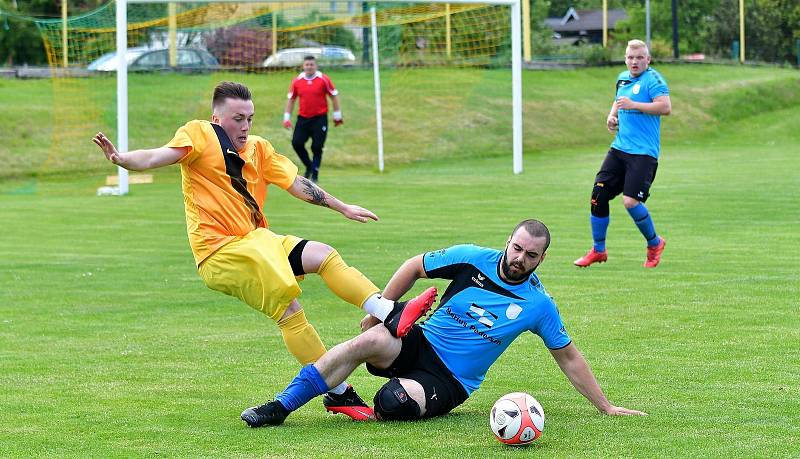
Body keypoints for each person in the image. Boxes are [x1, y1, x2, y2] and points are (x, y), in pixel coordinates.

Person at [92, 81, 436, 421]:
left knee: (323, 254)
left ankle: (385, 313)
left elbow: (298, 184)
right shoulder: (199, 135)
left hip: (257, 242)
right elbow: (158, 155)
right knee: (289, 310)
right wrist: (123, 159)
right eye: (237, 118)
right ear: (216, 119)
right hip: (221, 253)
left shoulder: (258, 149)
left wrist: (342, 206)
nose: (245, 126)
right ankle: (340, 391)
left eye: (250, 118)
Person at [240, 219, 647, 427]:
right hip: (418, 342)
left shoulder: (538, 305)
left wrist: (606, 407)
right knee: (364, 342)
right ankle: (280, 406)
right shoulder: (473, 257)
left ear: (542, 260)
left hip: (450, 380)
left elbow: (569, 358)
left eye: (531, 255)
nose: (520, 258)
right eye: (517, 247)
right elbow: (414, 265)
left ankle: (362, 403)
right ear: (508, 241)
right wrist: (383, 305)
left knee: (393, 403)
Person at [574, 39, 672, 269]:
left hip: (643, 154)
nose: (634, 62)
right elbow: (618, 102)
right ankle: (598, 250)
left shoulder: (654, 80)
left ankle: (654, 243)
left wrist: (634, 105)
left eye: (639, 58)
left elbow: (665, 107)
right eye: (630, 57)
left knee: (630, 202)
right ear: (625, 58)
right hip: (619, 148)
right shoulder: (622, 78)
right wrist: (612, 116)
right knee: (598, 194)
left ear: (648, 59)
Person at [283, 55, 342, 183]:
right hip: (303, 118)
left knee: (317, 146)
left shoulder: (323, 79)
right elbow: (291, 99)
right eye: (307, 64)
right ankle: (309, 166)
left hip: (320, 118)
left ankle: (315, 173)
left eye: (312, 64)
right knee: (296, 143)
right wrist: (286, 117)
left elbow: (334, 96)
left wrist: (337, 115)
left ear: (316, 66)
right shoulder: (297, 81)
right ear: (303, 66)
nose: (309, 67)